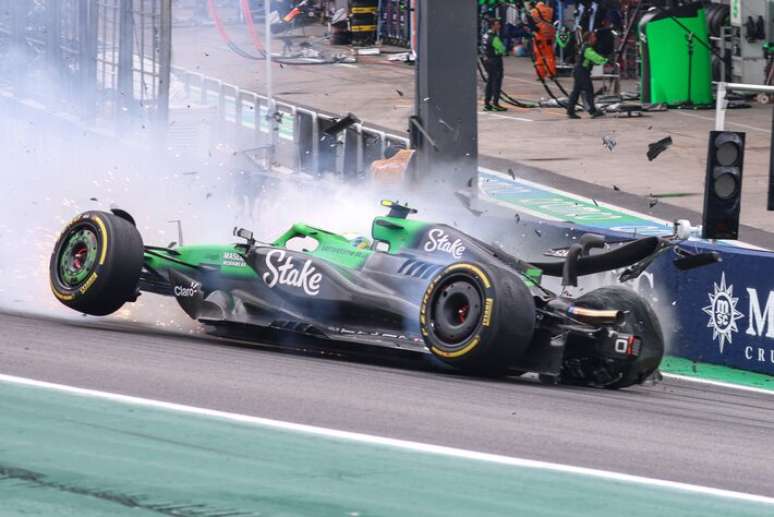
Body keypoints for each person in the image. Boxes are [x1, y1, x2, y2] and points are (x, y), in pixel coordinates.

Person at [566, 30, 608, 119]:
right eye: (594, 37)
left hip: (579, 71)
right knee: (588, 90)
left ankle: (570, 111)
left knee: (576, 92)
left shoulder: (584, 46)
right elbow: (595, 58)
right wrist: (606, 60)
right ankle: (592, 111)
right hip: (582, 72)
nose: (595, 39)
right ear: (589, 38)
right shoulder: (587, 49)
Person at [525, 0, 556, 80]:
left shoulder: (532, 12)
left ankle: (541, 75)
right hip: (549, 36)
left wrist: (535, 31)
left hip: (538, 36)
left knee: (539, 55)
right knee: (549, 55)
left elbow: (532, 26)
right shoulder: (550, 10)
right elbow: (553, 22)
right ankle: (551, 74)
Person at [481, 18, 508, 112]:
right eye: (497, 24)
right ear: (493, 26)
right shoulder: (494, 37)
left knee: (490, 81)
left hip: (487, 60)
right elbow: (502, 49)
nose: (499, 26)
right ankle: (495, 104)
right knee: (496, 82)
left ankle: (487, 103)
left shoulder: (485, 35)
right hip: (495, 61)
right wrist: (502, 50)